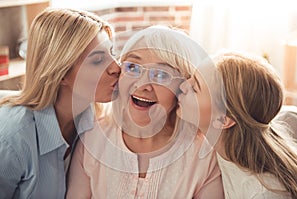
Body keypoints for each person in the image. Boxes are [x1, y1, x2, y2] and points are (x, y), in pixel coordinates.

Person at [66, 26, 224, 198]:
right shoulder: (92, 140)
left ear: (184, 87)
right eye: (133, 68)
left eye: (161, 75)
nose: (142, 84)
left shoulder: (204, 156)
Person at [0, 8, 120, 198]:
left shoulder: (95, 124)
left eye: (112, 53)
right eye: (98, 60)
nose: (116, 67)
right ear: (61, 74)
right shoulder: (13, 140)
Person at [177, 51, 297, 199]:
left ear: (222, 121)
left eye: (195, 88)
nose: (183, 86)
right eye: (190, 77)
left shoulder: (263, 193)